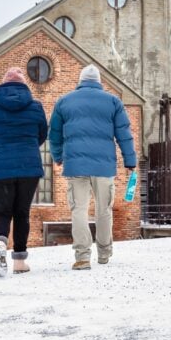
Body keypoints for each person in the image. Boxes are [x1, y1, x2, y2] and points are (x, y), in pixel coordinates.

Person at [49, 64, 136, 270]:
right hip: (104, 167)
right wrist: (129, 161)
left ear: (80, 81)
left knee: (78, 210)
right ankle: (104, 253)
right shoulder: (113, 102)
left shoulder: (64, 102)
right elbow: (124, 134)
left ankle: (82, 257)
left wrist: (58, 156)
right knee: (103, 210)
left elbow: (54, 134)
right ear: (98, 82)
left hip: (75, 166)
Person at [0, 67, 48, 277]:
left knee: (2, 212)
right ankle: (19, 262)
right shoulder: (36, 107)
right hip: (29, 167)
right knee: (21, 213)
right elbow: (42, 134)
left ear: (4, 84)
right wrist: (28, 148)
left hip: (1, 169)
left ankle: (0, 241)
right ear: (23, 85)